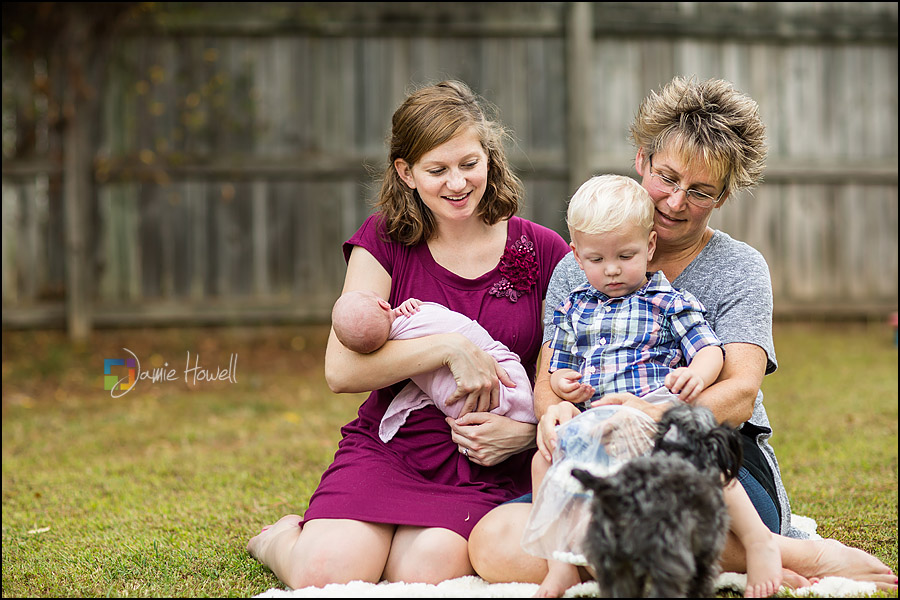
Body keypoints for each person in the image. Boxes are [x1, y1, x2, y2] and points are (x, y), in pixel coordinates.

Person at [468, 76, 898, 592]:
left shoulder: (738, 267)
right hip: (601, 454)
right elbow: (549, 380)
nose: (675, 201)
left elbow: (738, 394)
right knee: (491, 541)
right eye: (668, 177)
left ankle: (790, 551)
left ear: (723, 195)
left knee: (663, 513)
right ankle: (714, 559)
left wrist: (653, 414)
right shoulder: (576, 267)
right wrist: (554, 411)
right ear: (642, 160)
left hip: (712, 454)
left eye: (700, 191)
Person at [246, 80, 571, 589]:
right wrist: (448, 348)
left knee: (424, 575)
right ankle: (279, 539)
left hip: (482, 455)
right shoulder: (386, 239)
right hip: (390, 446)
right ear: (407, 173)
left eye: (469, 163)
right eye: (437, 170)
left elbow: (576, 367)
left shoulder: (546, 251)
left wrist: (527, 436)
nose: (457, 183)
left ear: (489, 156)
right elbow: (341, 370)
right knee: (323, 573)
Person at [521, 174, 782, 598]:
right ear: (576, 255)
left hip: (654, 410)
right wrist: (564, 388)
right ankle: (561, 563)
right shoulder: (574, 305)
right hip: (601, 421)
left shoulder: (666, 300)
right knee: (541, 462)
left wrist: (697, 372)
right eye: (596, 259)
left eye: (626, 256)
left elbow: (710, 350)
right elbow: (557, 368)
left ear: (649, 247)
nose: (611, 270)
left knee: (697, 449)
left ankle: (759, 541)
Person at [329, 290, 537, 443]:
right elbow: (438, 315)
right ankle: (527, 417)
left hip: (457, 412)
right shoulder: (416, 317)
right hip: (495, 379)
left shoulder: (397, 348)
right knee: (510, 382)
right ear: (383, 304)